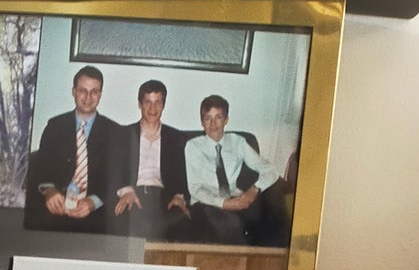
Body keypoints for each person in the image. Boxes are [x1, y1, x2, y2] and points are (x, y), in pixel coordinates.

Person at [24, 66, 121, 234]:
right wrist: (49, 190)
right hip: (56, 205)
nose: (88, 97)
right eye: (83, 91)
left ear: (100, 94)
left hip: (94, 212)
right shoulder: (55, 126)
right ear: (74, 91)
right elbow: (42, 167)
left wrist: (93, 202)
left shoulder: (114, 132)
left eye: (94, 92)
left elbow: (117, 177)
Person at [184, 94, 288, 247]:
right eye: (207, 118)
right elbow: (195, 188)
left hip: (235, 197)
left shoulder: (238, 142)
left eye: (218, 117)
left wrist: (255, 189)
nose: (213, 124)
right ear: (202, 122)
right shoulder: (193, 146)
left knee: (271, 218)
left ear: (226, 120)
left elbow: (270, 170)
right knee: (230, 224)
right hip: (206, 202)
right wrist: (224, 204)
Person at [113, 79, 192, 242]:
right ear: (139, 104)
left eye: (158, 102)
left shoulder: (176, 137)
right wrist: (126, 191)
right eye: (147, 102)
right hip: (134, 192)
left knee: (181, 221)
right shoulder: (123, 135)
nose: (152, 108)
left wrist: (179, 196)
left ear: (163, 105)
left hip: (164, 196)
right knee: (131, 222)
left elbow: (183, 174)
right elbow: (114, 170)